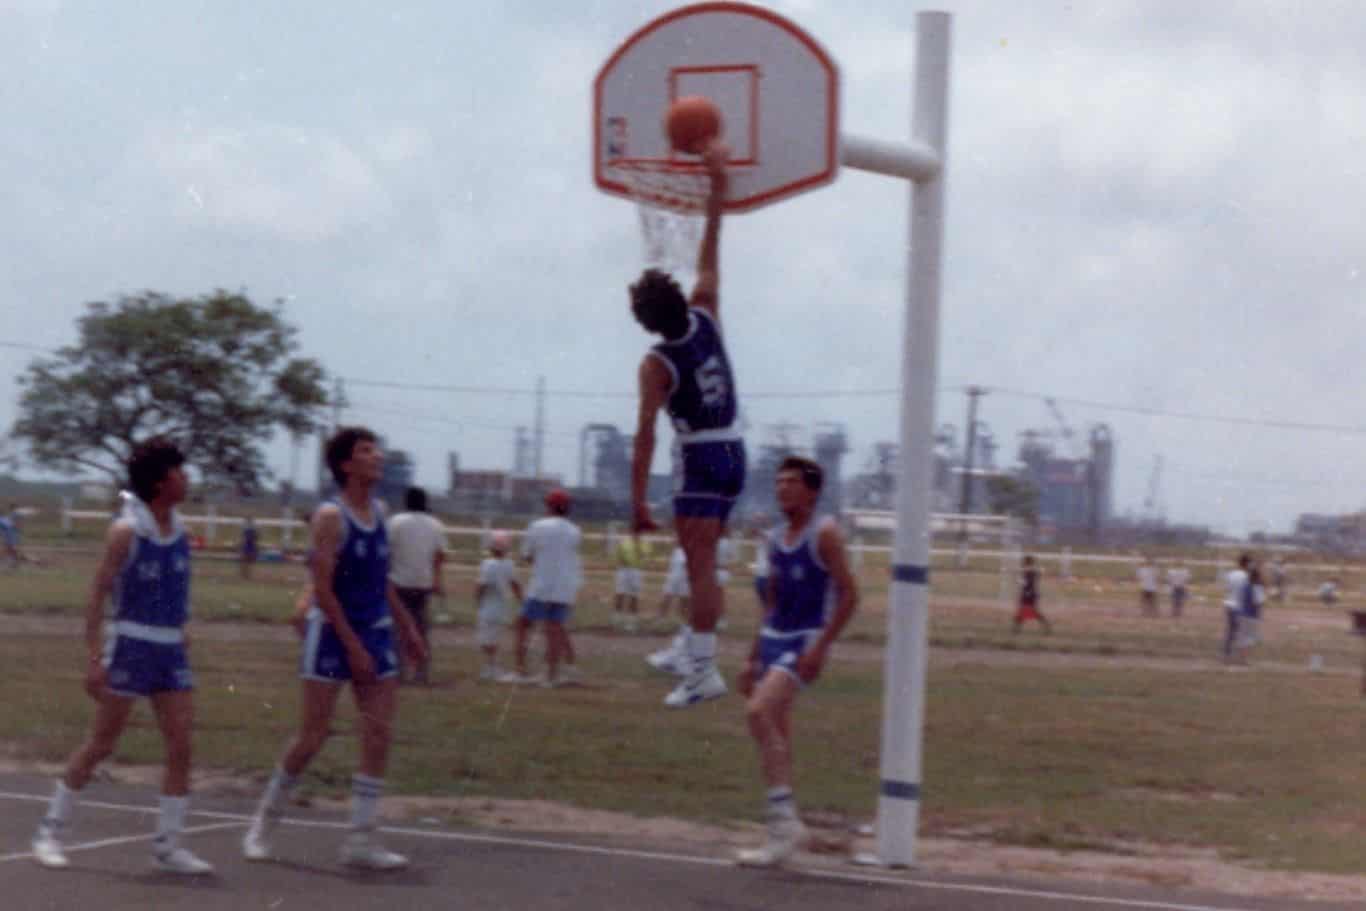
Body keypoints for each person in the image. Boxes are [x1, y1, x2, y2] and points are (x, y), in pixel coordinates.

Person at [242, 427, 427, 870]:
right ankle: (263, 823)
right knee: (313, 736)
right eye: (366, 451)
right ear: (346, 464)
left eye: (377, 449)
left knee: (378, 734)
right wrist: (351, 645)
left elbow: (380, 581)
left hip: (376, 631)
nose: (377, 456)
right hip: (332, 634)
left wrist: (409, 628)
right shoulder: (331, 517)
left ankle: (360, 840)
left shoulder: (380, 511)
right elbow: (321, 589)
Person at [30, 438, 213, 874]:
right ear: (159, 481)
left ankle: (168, 846)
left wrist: (182, 629)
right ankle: (49, 830)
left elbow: (176, 590)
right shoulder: (126, 531)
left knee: (182, 744)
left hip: (170, 649)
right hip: (131, 645)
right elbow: (97, 595)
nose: (186, 478)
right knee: (101, 743)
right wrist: (95, 658)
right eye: (179, 472)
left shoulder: (181, 531)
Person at [629, 140, 743, 708]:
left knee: (699, 569)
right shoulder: (706, 309)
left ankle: (701, 671)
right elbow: (710, 245)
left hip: (699, 457)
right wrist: (717, 187)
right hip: (734, 451)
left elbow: (646, 437)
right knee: (703, 565)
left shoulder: (656, 365)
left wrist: (636, 501)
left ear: (645, 324)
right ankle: (691, 646)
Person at [735, 457, 858, 867]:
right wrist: (752, 655)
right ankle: (782, 834)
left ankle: (784, 822)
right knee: (776, 735)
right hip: (772, 639)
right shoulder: (773, 539)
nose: (781, 489)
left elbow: (850, 595)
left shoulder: (824, 534)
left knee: (757, 712)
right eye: (778, 482)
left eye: (790, 482)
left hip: (802, 642)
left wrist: (821, 647)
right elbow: (771, 601)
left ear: (811, 491)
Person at [512, 489, 583, 687]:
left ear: (549, 506)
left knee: (523, 624)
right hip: (565, 586)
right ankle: (551, 675)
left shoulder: (537, 526)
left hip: (542, 585)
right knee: (554, 628)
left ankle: (520, 669)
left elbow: (527, 555)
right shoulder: (575, 530)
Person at [386, 486, 446, 685]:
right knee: (421, 629)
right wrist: (437, 579)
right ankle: (421, 672)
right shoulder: (435, 525)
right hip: (423, 583)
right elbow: (440, 555)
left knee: (398, 629)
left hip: (398, 582)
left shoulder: (396, 522)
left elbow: (386, 551)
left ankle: (398, 671)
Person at [475, 531, 522, 681]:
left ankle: (491, 667)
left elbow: (482, 586)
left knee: (486, 639)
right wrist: (521, 601)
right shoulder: (510, 565)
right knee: (494, 638)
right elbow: (515, 585)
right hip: (502, 607)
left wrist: (477, 599)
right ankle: (492, 665)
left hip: (489, 606)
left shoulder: (487, 565)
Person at [612, 531, 648, 633]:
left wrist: (638, 544)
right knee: (620, 594)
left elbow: (644, 555)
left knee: (634, 597)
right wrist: (621, 562)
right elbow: (618, 555)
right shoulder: (624, 542)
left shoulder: (644, 543)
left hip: (636, 571)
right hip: (623, 570)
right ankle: (617, 621)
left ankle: (631, 623)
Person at [1231, 562, 1266, 665]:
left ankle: (1238, 657)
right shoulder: (1257, 587)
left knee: (1241, 637)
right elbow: (1259, 602)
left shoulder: (1245, 586)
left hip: (1242, 614)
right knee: (1249, 638)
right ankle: (1244, 659)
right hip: (1252, 616)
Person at [1011, 554, 1052, 634]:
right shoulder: (1030, 571)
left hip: (1029, 594)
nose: (1022, 564)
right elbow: (1033, 576)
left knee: (1031, 612)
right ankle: (1016, 629)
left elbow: (1027, 583)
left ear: (1027, 563)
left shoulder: (1030, 572)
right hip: (1030, 594)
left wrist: (1020, 580)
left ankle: (1046, 627)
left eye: (1024, 563)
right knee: (1023, 612)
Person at [1222, 554, 1251, 663]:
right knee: (1242, 633)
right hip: (1239, 607)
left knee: (1231, 631)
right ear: (1247, 564)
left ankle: (1227, 655)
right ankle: (1241, 658)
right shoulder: (1246, 577)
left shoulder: (1231, 574)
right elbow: (1246, 593)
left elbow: (1227, 589)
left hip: (1229, 605)